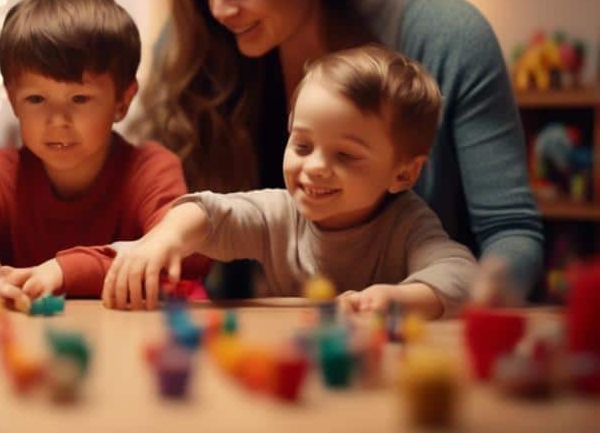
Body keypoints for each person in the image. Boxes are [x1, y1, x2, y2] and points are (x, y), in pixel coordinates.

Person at [132, 0, 542, 299]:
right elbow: (192, 209)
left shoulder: (445, 34)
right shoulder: (193, 42)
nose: (218, 9)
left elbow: (509, 229)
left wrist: (482, 293)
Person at [106, 46, 478, 318]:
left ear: (404, 174)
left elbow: (461, 272)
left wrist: (402, 299)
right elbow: (212, 213)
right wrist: (164, 239)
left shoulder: (407, 224)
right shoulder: (282, 213)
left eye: (345, 155)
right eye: (302, 145)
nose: (315, 167)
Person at [0, 0, 210, 308]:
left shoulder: (150, 168)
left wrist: (62, 272)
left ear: (122, 101)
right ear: (13, 100)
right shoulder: (1, 173)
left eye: (79, 99)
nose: (57, 120)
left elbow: (189, 254)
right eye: (36, 99)